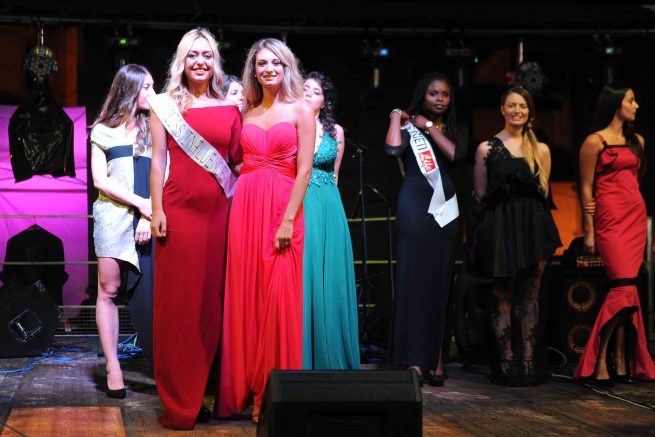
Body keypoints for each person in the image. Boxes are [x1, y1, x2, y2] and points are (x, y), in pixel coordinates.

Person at [149, 28, 242, 429]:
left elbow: (237, 162)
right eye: (192, 55)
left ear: (215, 61)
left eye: (206, 55)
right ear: (182, 62)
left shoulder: (230, 108)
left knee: (211, 306)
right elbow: (157, 161)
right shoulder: (164, 106)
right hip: (178, 212)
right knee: (179, 308)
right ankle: (179, 400)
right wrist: (156, 210)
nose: (200, 61)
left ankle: (208, 391)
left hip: (220, 216)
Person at [218, 38, 314, 424]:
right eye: (261, 64)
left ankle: (274, 395)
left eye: (275, 63)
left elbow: (304, 170)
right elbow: (235, 160)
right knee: (246, 297)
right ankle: (242, 389)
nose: (269, 69)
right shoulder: (247, 111)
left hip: (283, 207)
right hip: (246, 206)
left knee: (280, 301)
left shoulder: (301, 109)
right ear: (253, 71)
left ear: (287, 67)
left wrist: (289, 218)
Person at [470, 86, 561, 387]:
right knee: (502, 294)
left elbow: (544, 194)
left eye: (522, 106)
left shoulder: (541, 149)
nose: (517, 111)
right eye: (511, 105)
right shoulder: (486, 148)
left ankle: (528, 361)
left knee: (529, 296)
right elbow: (481, 195)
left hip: (532, 228)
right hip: (500, 229)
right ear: (502, 109)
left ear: (529, 111)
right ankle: (506, 362)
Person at [385, 71, 467, 386]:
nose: (439, 99)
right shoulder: (408, 128)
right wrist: (396, 116)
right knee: (412, 283)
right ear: (423, 95)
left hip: (444, 214)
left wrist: (429, 126)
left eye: (445, 94)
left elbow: (455, 154)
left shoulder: (456, 129)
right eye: (433, 93)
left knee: (439, 284)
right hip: (413, 211)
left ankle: (436, 357)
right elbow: (392, 149)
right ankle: (412, 359)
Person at [573, 86, 655, 384]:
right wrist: (589, 230)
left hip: (635, 218)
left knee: (628, 288)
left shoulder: (637, 141)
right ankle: (598, 359)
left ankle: (621, 361)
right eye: (631, 100)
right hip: (610, 219)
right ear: (616, 104)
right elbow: (585, 187)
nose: (636, 105)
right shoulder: (594, 142)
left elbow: (634, 181)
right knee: (622, 288)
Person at [89, 64, 155, 399]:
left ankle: (162, 363)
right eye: (146, 87)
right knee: (109, 290)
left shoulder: (155, 127)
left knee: (153, 293)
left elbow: (166, 173)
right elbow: (100, 180)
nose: (152, 93)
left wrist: (147, 213)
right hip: (113, 218)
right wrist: (140, 203)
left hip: (149, 219)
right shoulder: (103, 131)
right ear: (129, 89)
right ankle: (113, 366)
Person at [301, 71, 359, 370]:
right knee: (304, 272)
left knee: (328, 273)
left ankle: (331, 352)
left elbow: (335, 175)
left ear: (324, 101)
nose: (309, 94)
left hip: (326, 204)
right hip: (300, 202)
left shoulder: (335, 132)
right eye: (305, 89)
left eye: (316, 91)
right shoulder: (291, 125)